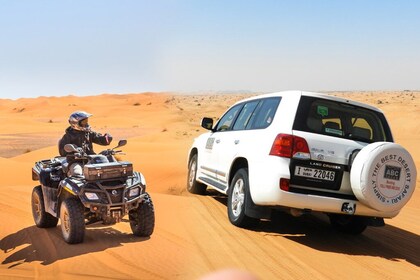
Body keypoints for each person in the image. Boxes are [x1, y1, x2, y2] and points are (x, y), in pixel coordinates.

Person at [58, 111, 112, 177]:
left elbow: (99, 139)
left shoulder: (88, 133)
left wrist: (106, 138)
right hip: (76, 161)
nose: (86, 123)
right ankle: (76, 187)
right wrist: (74, 150)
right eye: (84, 122)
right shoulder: (68, 136)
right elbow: (62, 151)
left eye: (86, 121)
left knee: (110, 167)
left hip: (92, 159)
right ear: (75, 123)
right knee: (76, 172)